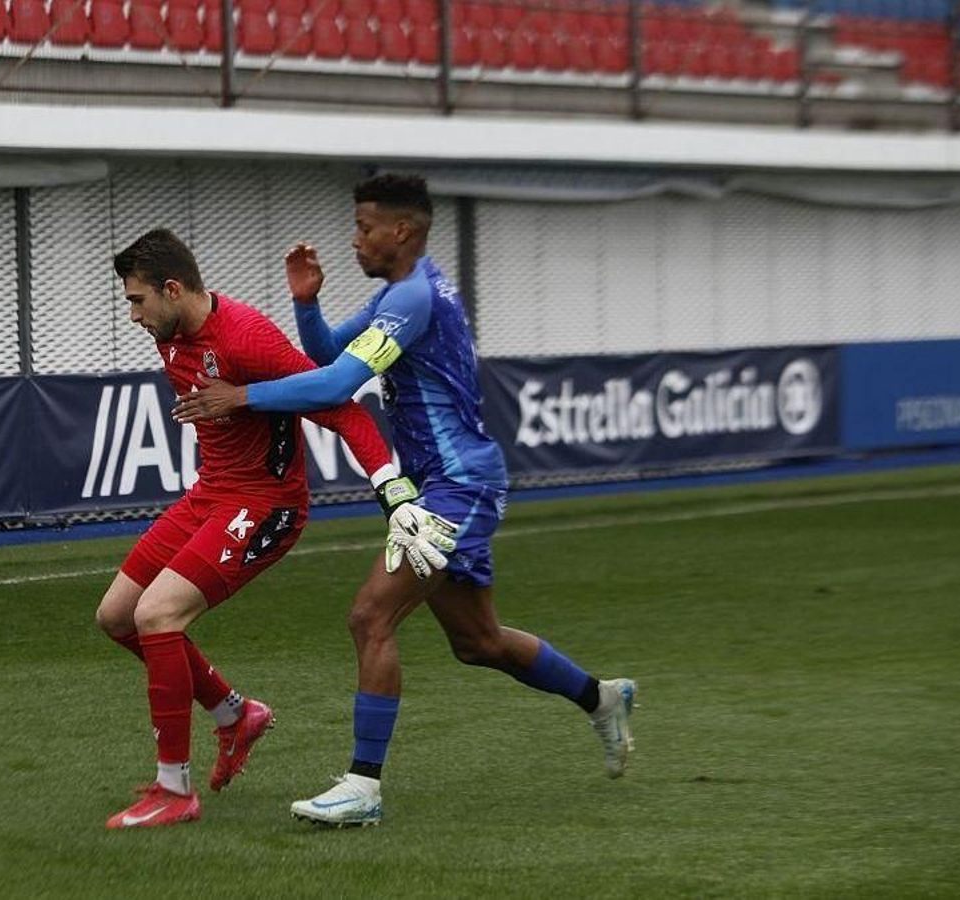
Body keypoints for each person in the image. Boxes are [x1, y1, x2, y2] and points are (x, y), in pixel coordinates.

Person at [172, 175, 635, 828]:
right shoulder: (403, 294)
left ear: (403, 231)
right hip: (445, 485)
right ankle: (602, 698)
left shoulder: (414, 297)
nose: (355, 239)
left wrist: (241, 397)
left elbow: (335, 386)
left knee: (371, 616)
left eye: (365, 228)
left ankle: (363, 787)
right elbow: (330, 356)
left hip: (458, 486)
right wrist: (307, 305)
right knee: (478, 641)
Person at [99, 228, 406, 830]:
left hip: (265, 504)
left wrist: (389, 487)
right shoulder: (171, 334)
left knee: (156, 615)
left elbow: (342, 409)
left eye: (138, 300)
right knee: (116, 616)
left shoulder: (245, 335)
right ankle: (234, 714)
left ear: (172, 289)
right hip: (209, 494)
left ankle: (174, 790)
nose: (133, 315)